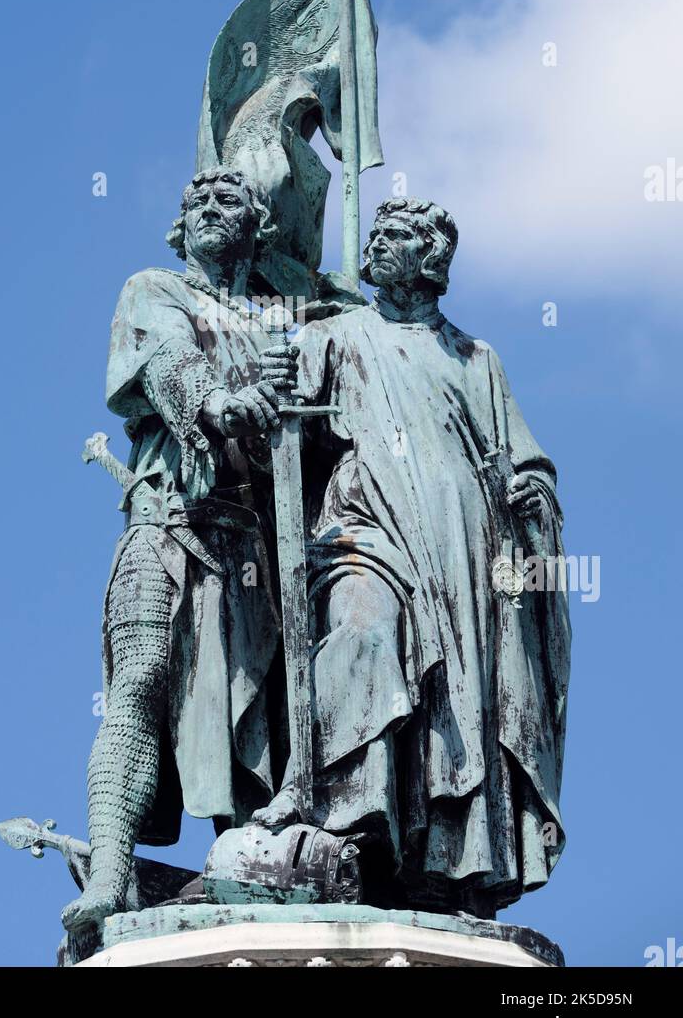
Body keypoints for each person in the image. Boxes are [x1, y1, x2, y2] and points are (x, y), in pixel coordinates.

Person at [256, 197, 571, 916]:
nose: (376, 244)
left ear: (430, 260)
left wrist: (532, 497)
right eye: (375, 234)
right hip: (365, 530)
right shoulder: (333, 336)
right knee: (363, 637)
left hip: (465, 544)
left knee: (464, 698)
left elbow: (528, 461)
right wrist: (271, 377)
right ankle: (353, 817)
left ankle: (444, 858)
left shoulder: (476, 358)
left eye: (394, 236)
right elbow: (281, 421)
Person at [64, 168, 289, 928]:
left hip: (258, 539)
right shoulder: (155, 288)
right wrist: (218, 403)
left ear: (259, 226)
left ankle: (251, 866)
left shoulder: (282, 316)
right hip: (165, 515)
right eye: (196, 201)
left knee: (261, 709)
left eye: (229, 201)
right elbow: (167, 359)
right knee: (142, 677)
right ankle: (110, 868)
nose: (209, 211)